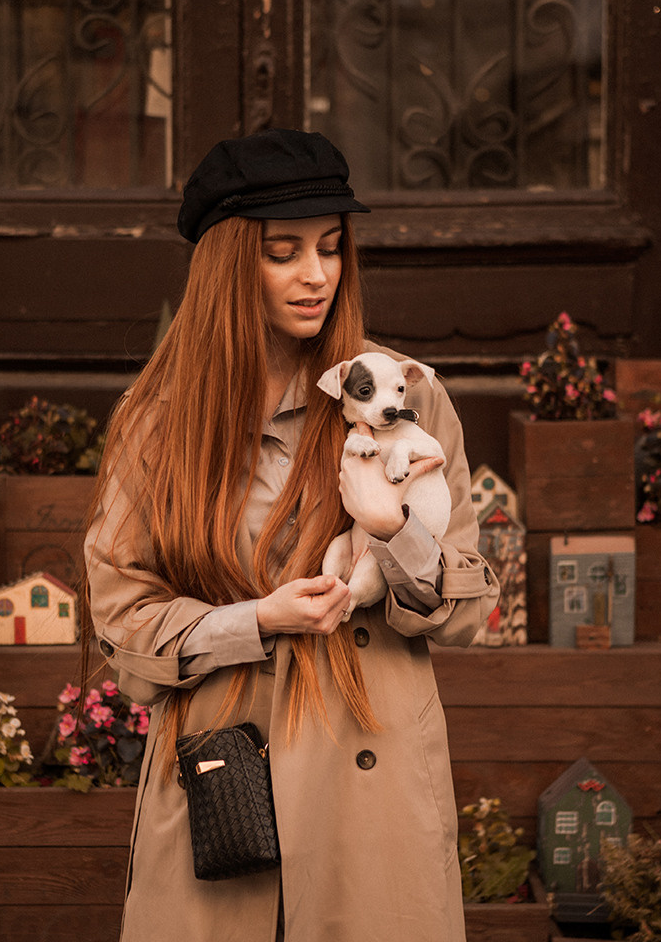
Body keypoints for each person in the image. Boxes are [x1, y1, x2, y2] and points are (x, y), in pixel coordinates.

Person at [83, 128, 499, 942]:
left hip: (368, 789)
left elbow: (466, 605)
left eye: (332, 248)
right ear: (231, 265)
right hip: (221, 789)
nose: (317, 275)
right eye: (283, 252)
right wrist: (257, 620)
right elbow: (121, 622)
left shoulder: (404, 393)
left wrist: (394, 536)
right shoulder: (158, 424)